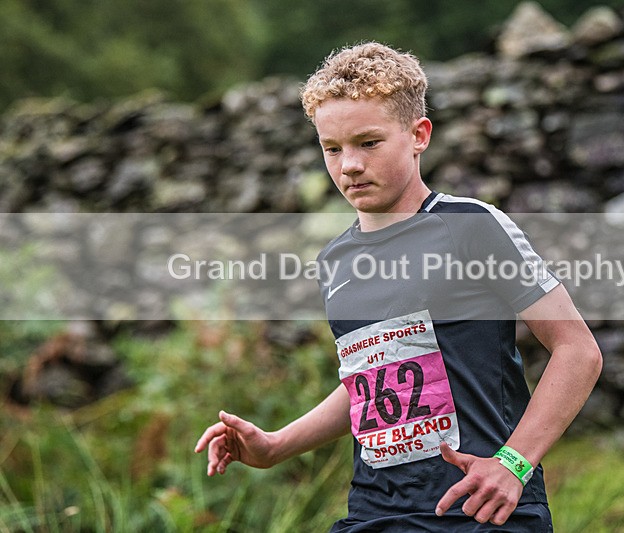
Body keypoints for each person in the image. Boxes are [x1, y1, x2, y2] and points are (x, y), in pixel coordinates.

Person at [195, 42, 602, 531]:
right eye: (332, 148)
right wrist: (276, 444)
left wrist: (514, 463)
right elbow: (372, 377)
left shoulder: (470, 226)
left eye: (368, 143)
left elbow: (578, 350)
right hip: (373, 514)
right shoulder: (336, 260)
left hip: (480, 510)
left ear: (418, 135)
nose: (349, 165)